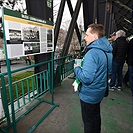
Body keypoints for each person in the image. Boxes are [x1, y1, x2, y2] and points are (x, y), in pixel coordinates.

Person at [74, 23, 113, 133]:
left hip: (89, 95)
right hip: (99, 91)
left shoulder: (92, 53)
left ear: (95, 37)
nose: (85, 37)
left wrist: (77, 69)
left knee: (88, 123)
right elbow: (108, 71)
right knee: (95, 117)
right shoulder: (107, 51)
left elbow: (86, 78)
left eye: (87, 35)